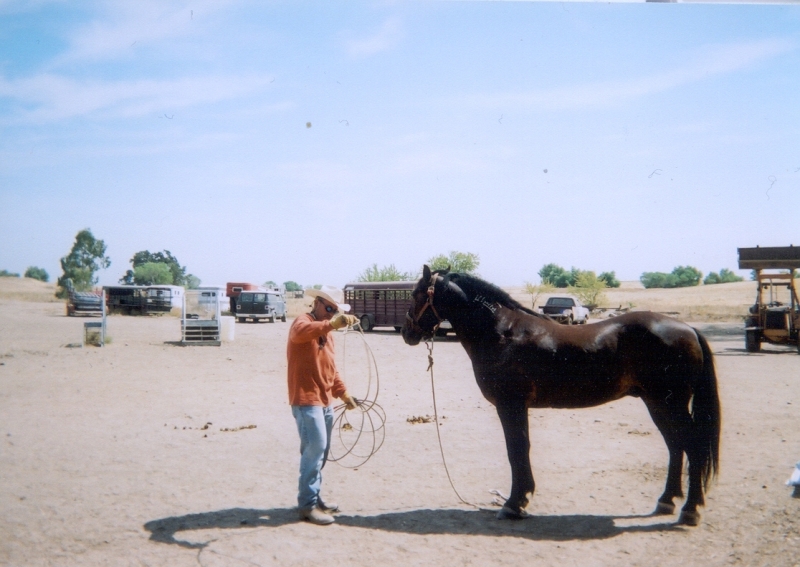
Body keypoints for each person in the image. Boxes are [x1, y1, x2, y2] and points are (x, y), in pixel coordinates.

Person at [287, 287, 358, 525]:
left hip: (325, 400)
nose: (331, 314)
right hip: (306, 399)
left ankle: (314, 498)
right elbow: (300, 333)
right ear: (317, 303)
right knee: (315, 449)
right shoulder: (302, 322)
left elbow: (331, 368)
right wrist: (331, 324)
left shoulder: (327, 333)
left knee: (320, 452)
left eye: (335, 311)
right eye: (328, 308)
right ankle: (307, 505)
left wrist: (343, 392)